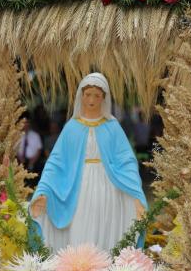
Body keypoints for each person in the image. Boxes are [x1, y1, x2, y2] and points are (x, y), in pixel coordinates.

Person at [30, 73, 147, 252]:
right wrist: (44, 190)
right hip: (78, 187)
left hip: (109, 188)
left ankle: (105, 267)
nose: (91, 100)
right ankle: (79, 266)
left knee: (105, 229)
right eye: (88, 94)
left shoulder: (112, 127)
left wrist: (135, 192)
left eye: (97, 95)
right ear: (81, 96)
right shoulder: (72, 127)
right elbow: (56, 162)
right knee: (79, 228)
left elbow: (127, 160)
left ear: (104, 98)